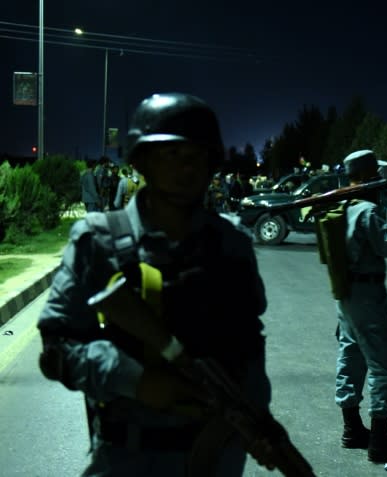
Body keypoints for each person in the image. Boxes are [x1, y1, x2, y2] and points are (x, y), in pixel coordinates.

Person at [36, 92, 273, 476]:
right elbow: (56, 348)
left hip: (215, 456)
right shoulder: (98, 240)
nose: (186, 168)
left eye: (197, 156)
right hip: (127, 456)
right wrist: (135, 380)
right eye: (171, 155)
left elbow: (249, 342)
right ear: (141, 160)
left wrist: (255, 414)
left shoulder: (231, 244)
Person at [333, 149, 387, 463]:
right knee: (385, 365)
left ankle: (352, 429)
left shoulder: (341, 205)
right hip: (367, 294)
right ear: (369, 176)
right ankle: (379, 441)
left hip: (345, 292)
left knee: (350, 356)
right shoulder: (366, 210)